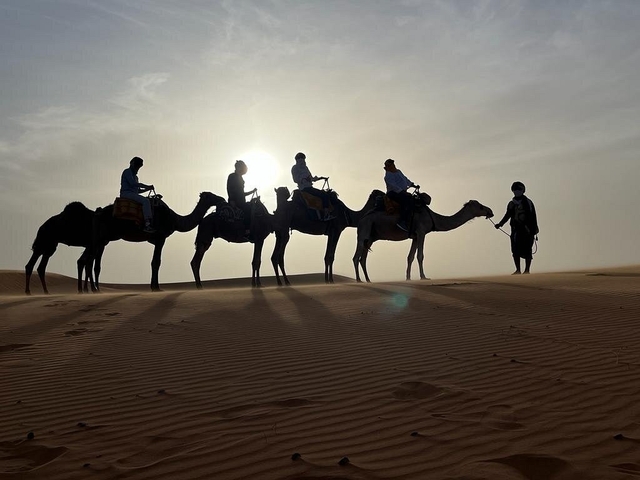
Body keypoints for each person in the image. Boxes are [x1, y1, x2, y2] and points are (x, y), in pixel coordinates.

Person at [494, 181, 539, 274]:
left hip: (527, 230)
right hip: (515, 230)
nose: (516, 191)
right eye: (515, 190)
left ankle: (527, 270)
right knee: (515, 250)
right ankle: (518, 270)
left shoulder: (528, 202)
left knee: (527, 250)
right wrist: (500, 224)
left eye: (518, 189)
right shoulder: (511, 204)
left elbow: (532, 216)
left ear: (523, 190)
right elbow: (507, 215)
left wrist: (532, 230)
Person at [291, 152, 335, 221]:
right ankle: (326, 214)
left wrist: (320, 178)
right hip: (304, 188)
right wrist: (304, 178)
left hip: (309, 187)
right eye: (301, 159)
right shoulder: (295, 168)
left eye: (303, 159)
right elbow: (295, 179)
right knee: (324, 195)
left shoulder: (305, 168)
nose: (303, 160)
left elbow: (311, 178)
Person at [120, 156, 155, 233]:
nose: (138, 168)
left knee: (147, 200)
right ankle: (147, 224)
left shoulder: (136, 177)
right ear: (132, 164)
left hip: (132, 194)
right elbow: (133, 184)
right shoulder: (127, 172)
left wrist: (147, 189)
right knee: (145, 201)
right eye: (137, 166)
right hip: (126, 194)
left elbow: (137, 190)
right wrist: (147, 186)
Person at [384, 158, 419, 232]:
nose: (393, 166)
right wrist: (402, 192)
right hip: (393, 193)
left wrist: (412, 185)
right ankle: (402, 221)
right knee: (406, 202)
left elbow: (405, 179)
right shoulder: (388, 175)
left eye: (393, 164)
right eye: (390, 164)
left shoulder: (398, 171)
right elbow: (393, 186)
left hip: (402, 192)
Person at [227, 160, 257, 234]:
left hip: (241, 201)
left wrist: (252, 192)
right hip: (236, 202)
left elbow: (241, 193)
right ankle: (247, 231)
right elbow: (230, 189)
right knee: (247, 210)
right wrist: (232, 200)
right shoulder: (232, 176)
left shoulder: (240, 177)